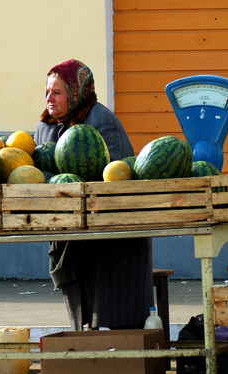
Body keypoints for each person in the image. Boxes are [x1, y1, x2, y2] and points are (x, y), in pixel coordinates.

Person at [34, 59, 154, 330]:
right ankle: (87, 350)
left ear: (76, 93)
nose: (49, 99)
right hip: (70, 226)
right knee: (81, 308)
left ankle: (121, 350)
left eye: (57, 93)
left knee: (113, 307)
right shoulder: (46, 125)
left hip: (112, 232)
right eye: (47, 92)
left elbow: (117, 176)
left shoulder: (101, 121)